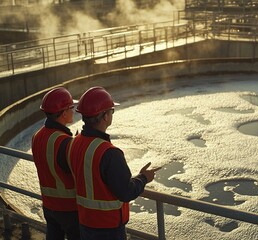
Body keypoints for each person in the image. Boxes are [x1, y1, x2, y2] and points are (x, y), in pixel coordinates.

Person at [67, 86, 161, 240]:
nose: (112, 114)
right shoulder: (109, 153)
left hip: (85, 223)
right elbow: (126, 192)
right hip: (108, 228)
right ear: (105, 116)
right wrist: (144, 177)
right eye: (111, 111)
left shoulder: (74, 142)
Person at [31, 87, 80, 240]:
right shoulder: (64, 142)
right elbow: (75, 173)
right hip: (69, 209)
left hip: (48, 206)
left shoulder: (36, 136)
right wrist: (76, 146)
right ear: (64, 113)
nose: (74, 110)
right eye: (71, 107)